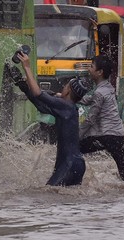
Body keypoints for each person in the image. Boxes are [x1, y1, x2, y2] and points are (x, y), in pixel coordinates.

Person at [11, 51, 88, 186]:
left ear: (68, 91)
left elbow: (38, 93)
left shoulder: (65, 106)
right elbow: (41, 106)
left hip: (69, 164)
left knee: (48, 193)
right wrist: (23, 86)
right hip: (76, 163)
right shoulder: (70, 108)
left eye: (65, 86)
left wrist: (27, 67)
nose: (62, 88)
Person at [79, 55, 124, 183]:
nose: (89, 69)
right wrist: (62, 96)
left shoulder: (100, 92)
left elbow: (90, 119)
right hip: (117, 135)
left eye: (91, 67)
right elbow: (88, 99)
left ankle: (74, 182)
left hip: (107, 136)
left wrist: (78, 134)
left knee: (76, 148)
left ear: (99, 72)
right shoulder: (107, 88)